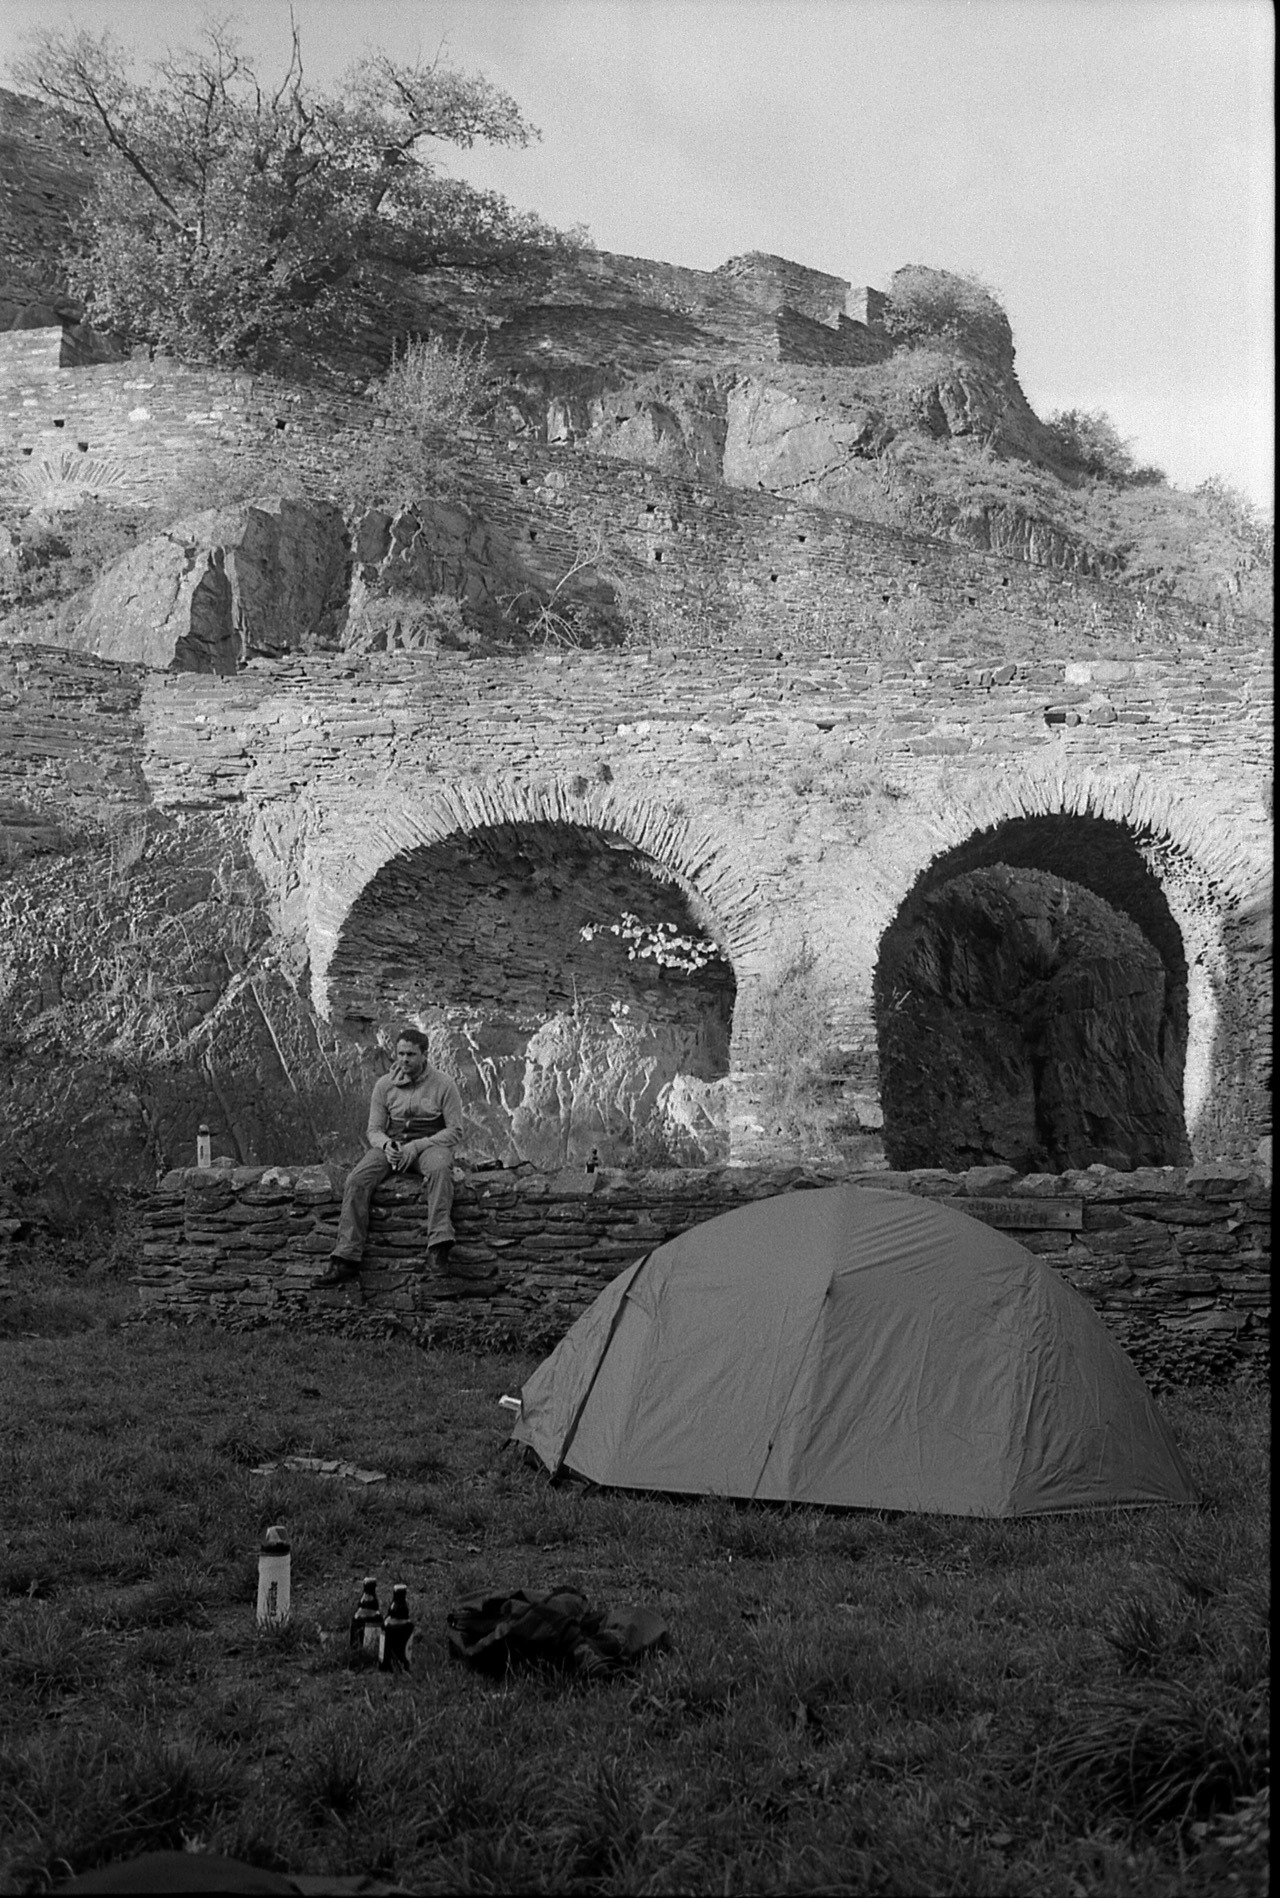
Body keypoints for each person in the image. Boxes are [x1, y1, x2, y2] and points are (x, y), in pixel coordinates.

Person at [315, 1027, 463, 1288]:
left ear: (424, 1055)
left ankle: (438, 1246)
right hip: (391, 1145)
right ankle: (346, 1257)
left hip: (429, 1145)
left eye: (411, 1055)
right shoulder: (384, 1085)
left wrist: (417, 1146)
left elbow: (454, 1131)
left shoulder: (444, 1084)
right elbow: (373, 1129)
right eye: (400, 1053)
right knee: (357, 1179)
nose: (404, 1060)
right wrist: (387, 1145)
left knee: (440, 1169)